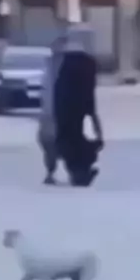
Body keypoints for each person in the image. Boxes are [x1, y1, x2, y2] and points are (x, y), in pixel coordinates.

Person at [54, 24, 104, 187]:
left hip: (63, 105)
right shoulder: (88, 62)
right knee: (79, 137)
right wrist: (92, 113)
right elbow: (89, 88)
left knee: (68, 137)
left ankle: (77, 169)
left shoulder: (62, 61)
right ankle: (81, 169)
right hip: (81, 105)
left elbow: (56, 84)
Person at [37, 33, 66, 185]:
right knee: (48, 142)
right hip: (49, 112)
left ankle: (73, 170)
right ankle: (50, 171)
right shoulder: (48, 65)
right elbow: (45, 89)